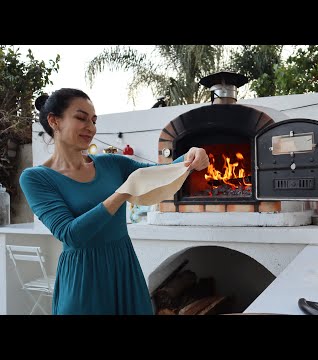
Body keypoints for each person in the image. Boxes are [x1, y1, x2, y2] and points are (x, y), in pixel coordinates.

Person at [19, 88, 209, 315]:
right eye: (81, 118)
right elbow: (71, 234)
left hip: (124, 267)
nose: (91, 127)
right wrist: (121, 194)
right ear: (54, 121)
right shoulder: (35, 178)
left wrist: (190, 156)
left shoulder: (112, 164)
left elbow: (159, 174)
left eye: (94, 120)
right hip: (83, 278)